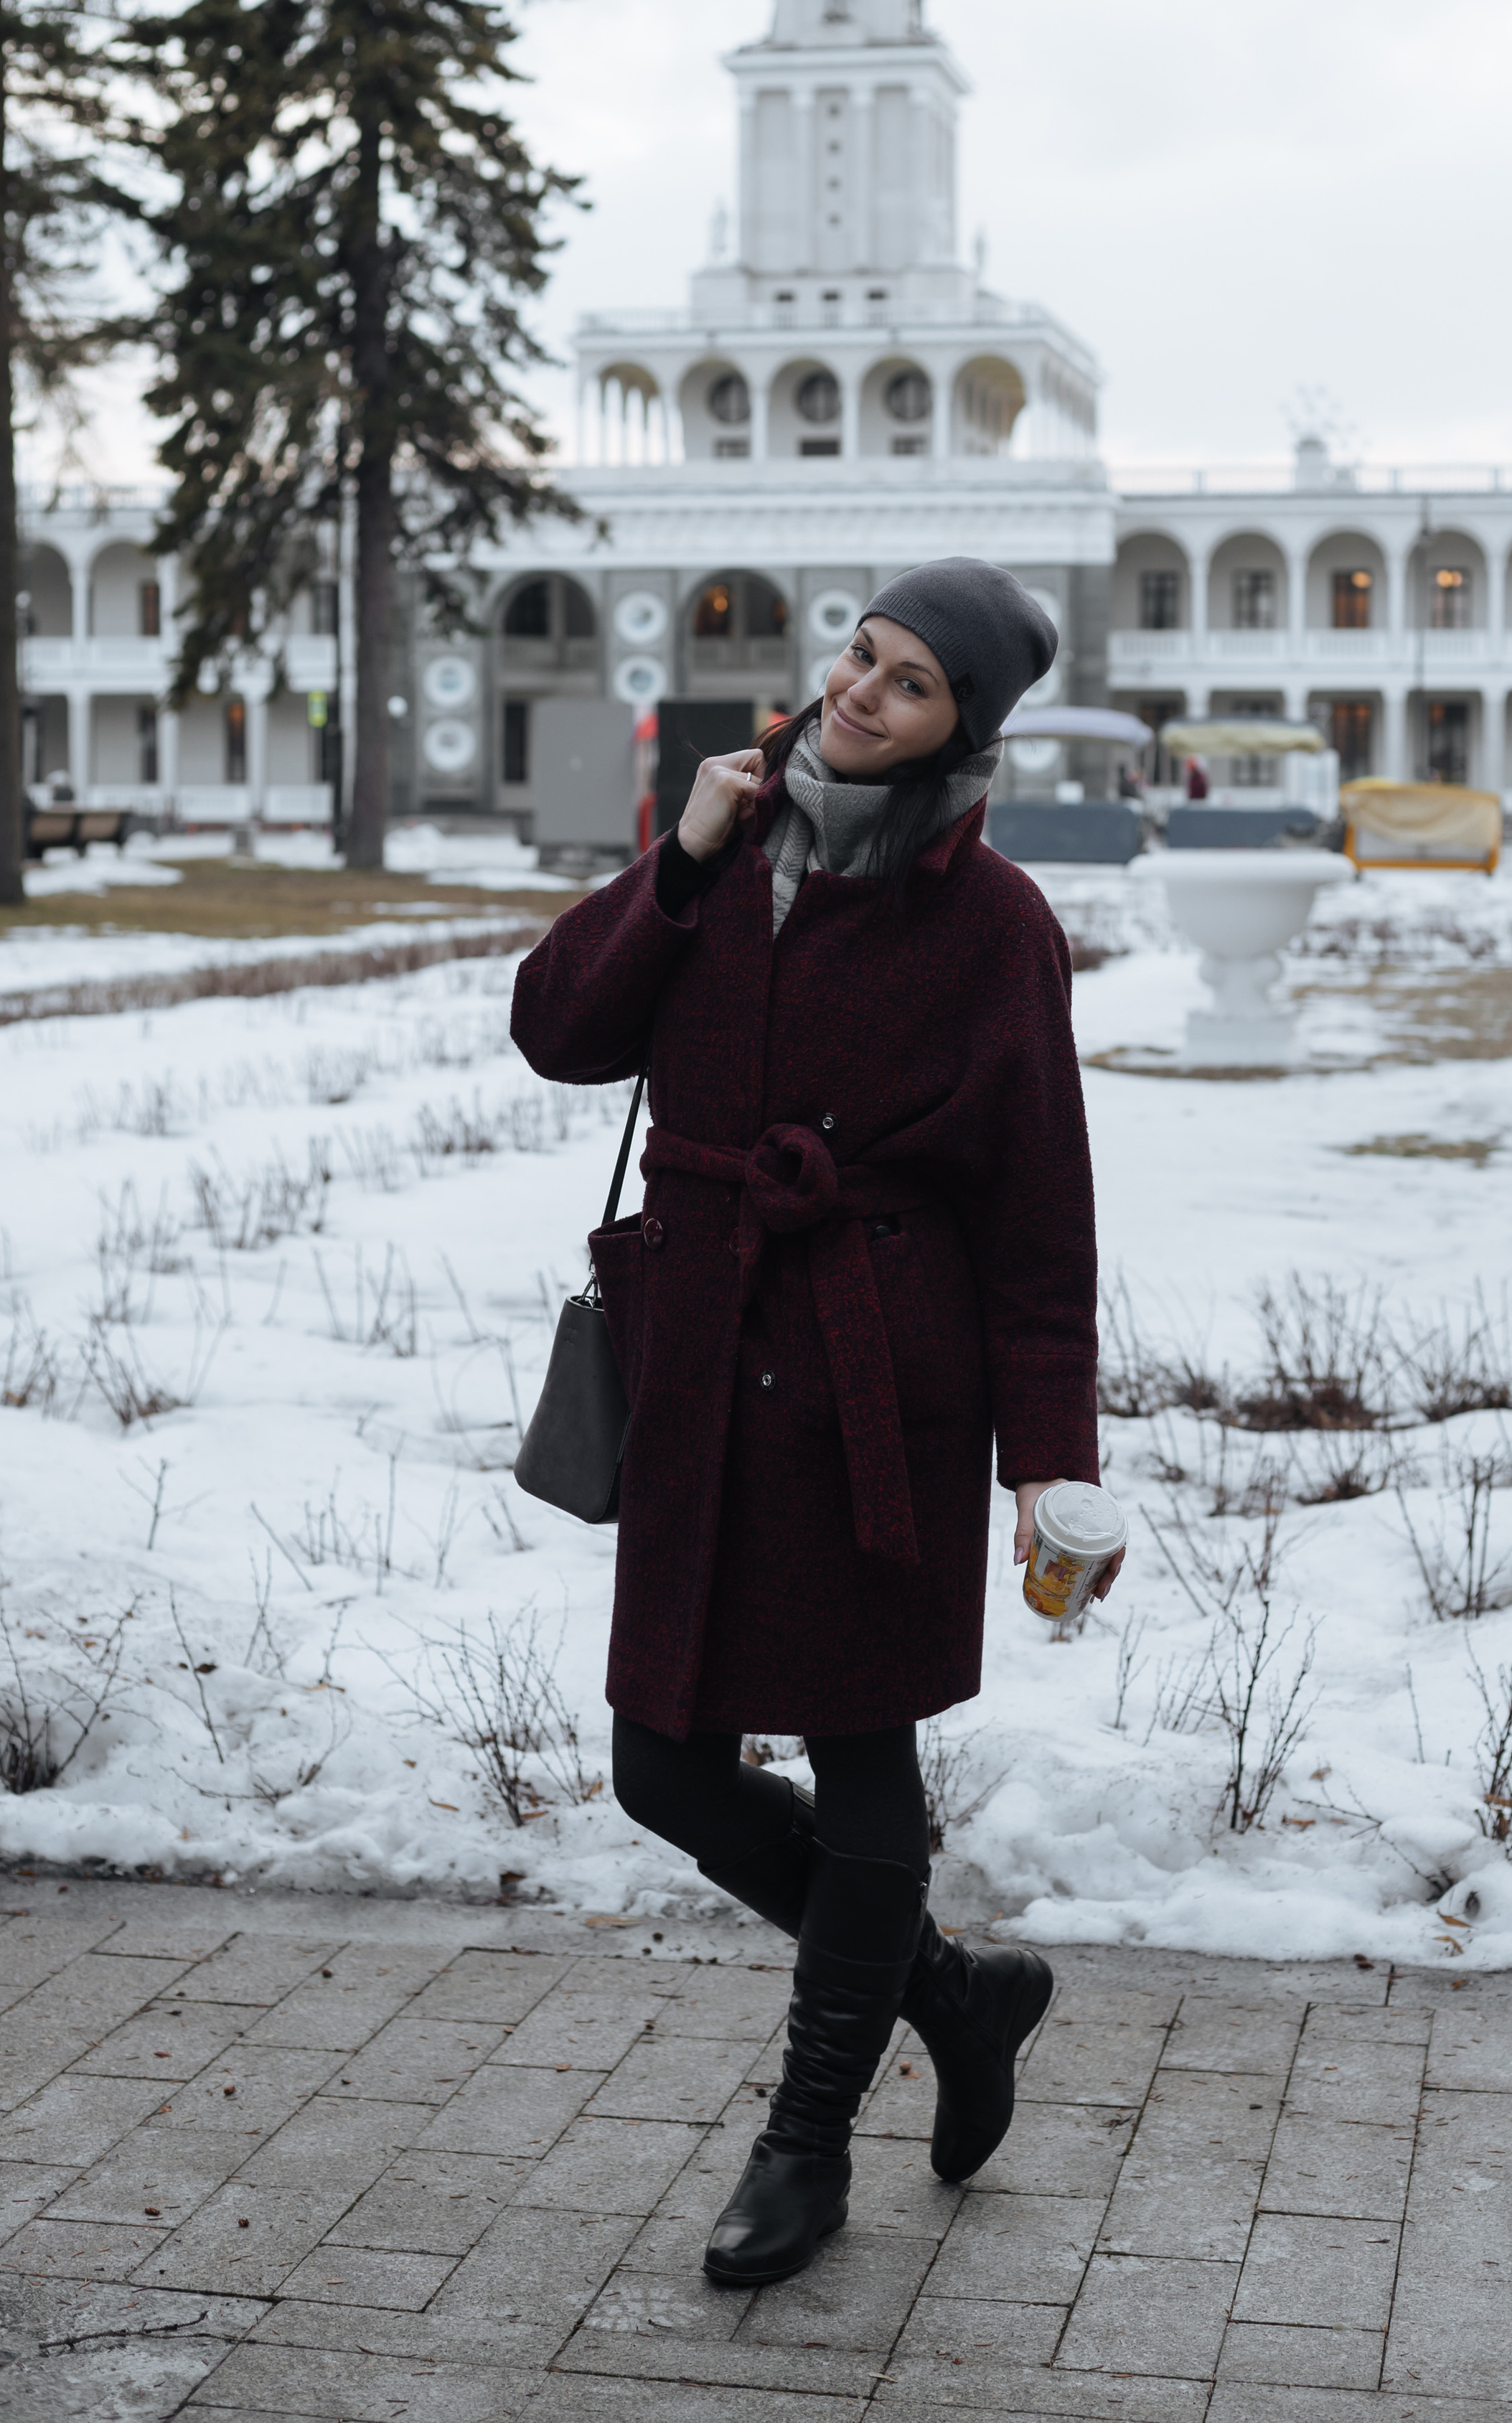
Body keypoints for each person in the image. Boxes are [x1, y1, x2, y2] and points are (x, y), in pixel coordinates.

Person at [511, 557, 1113, 2291]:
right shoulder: (718, 850)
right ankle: (954, 1991)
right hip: (705, 1357)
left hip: (875, 1382)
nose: (861, 692)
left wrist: (1046, 1458)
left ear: (961, 730)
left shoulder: (992, 925)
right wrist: (675, 859)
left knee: (864, 1771)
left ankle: (807, 2142)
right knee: (660, 1768)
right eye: (860, 653)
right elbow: (557, 1032)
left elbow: (1039, 1212)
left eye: (911, 682)